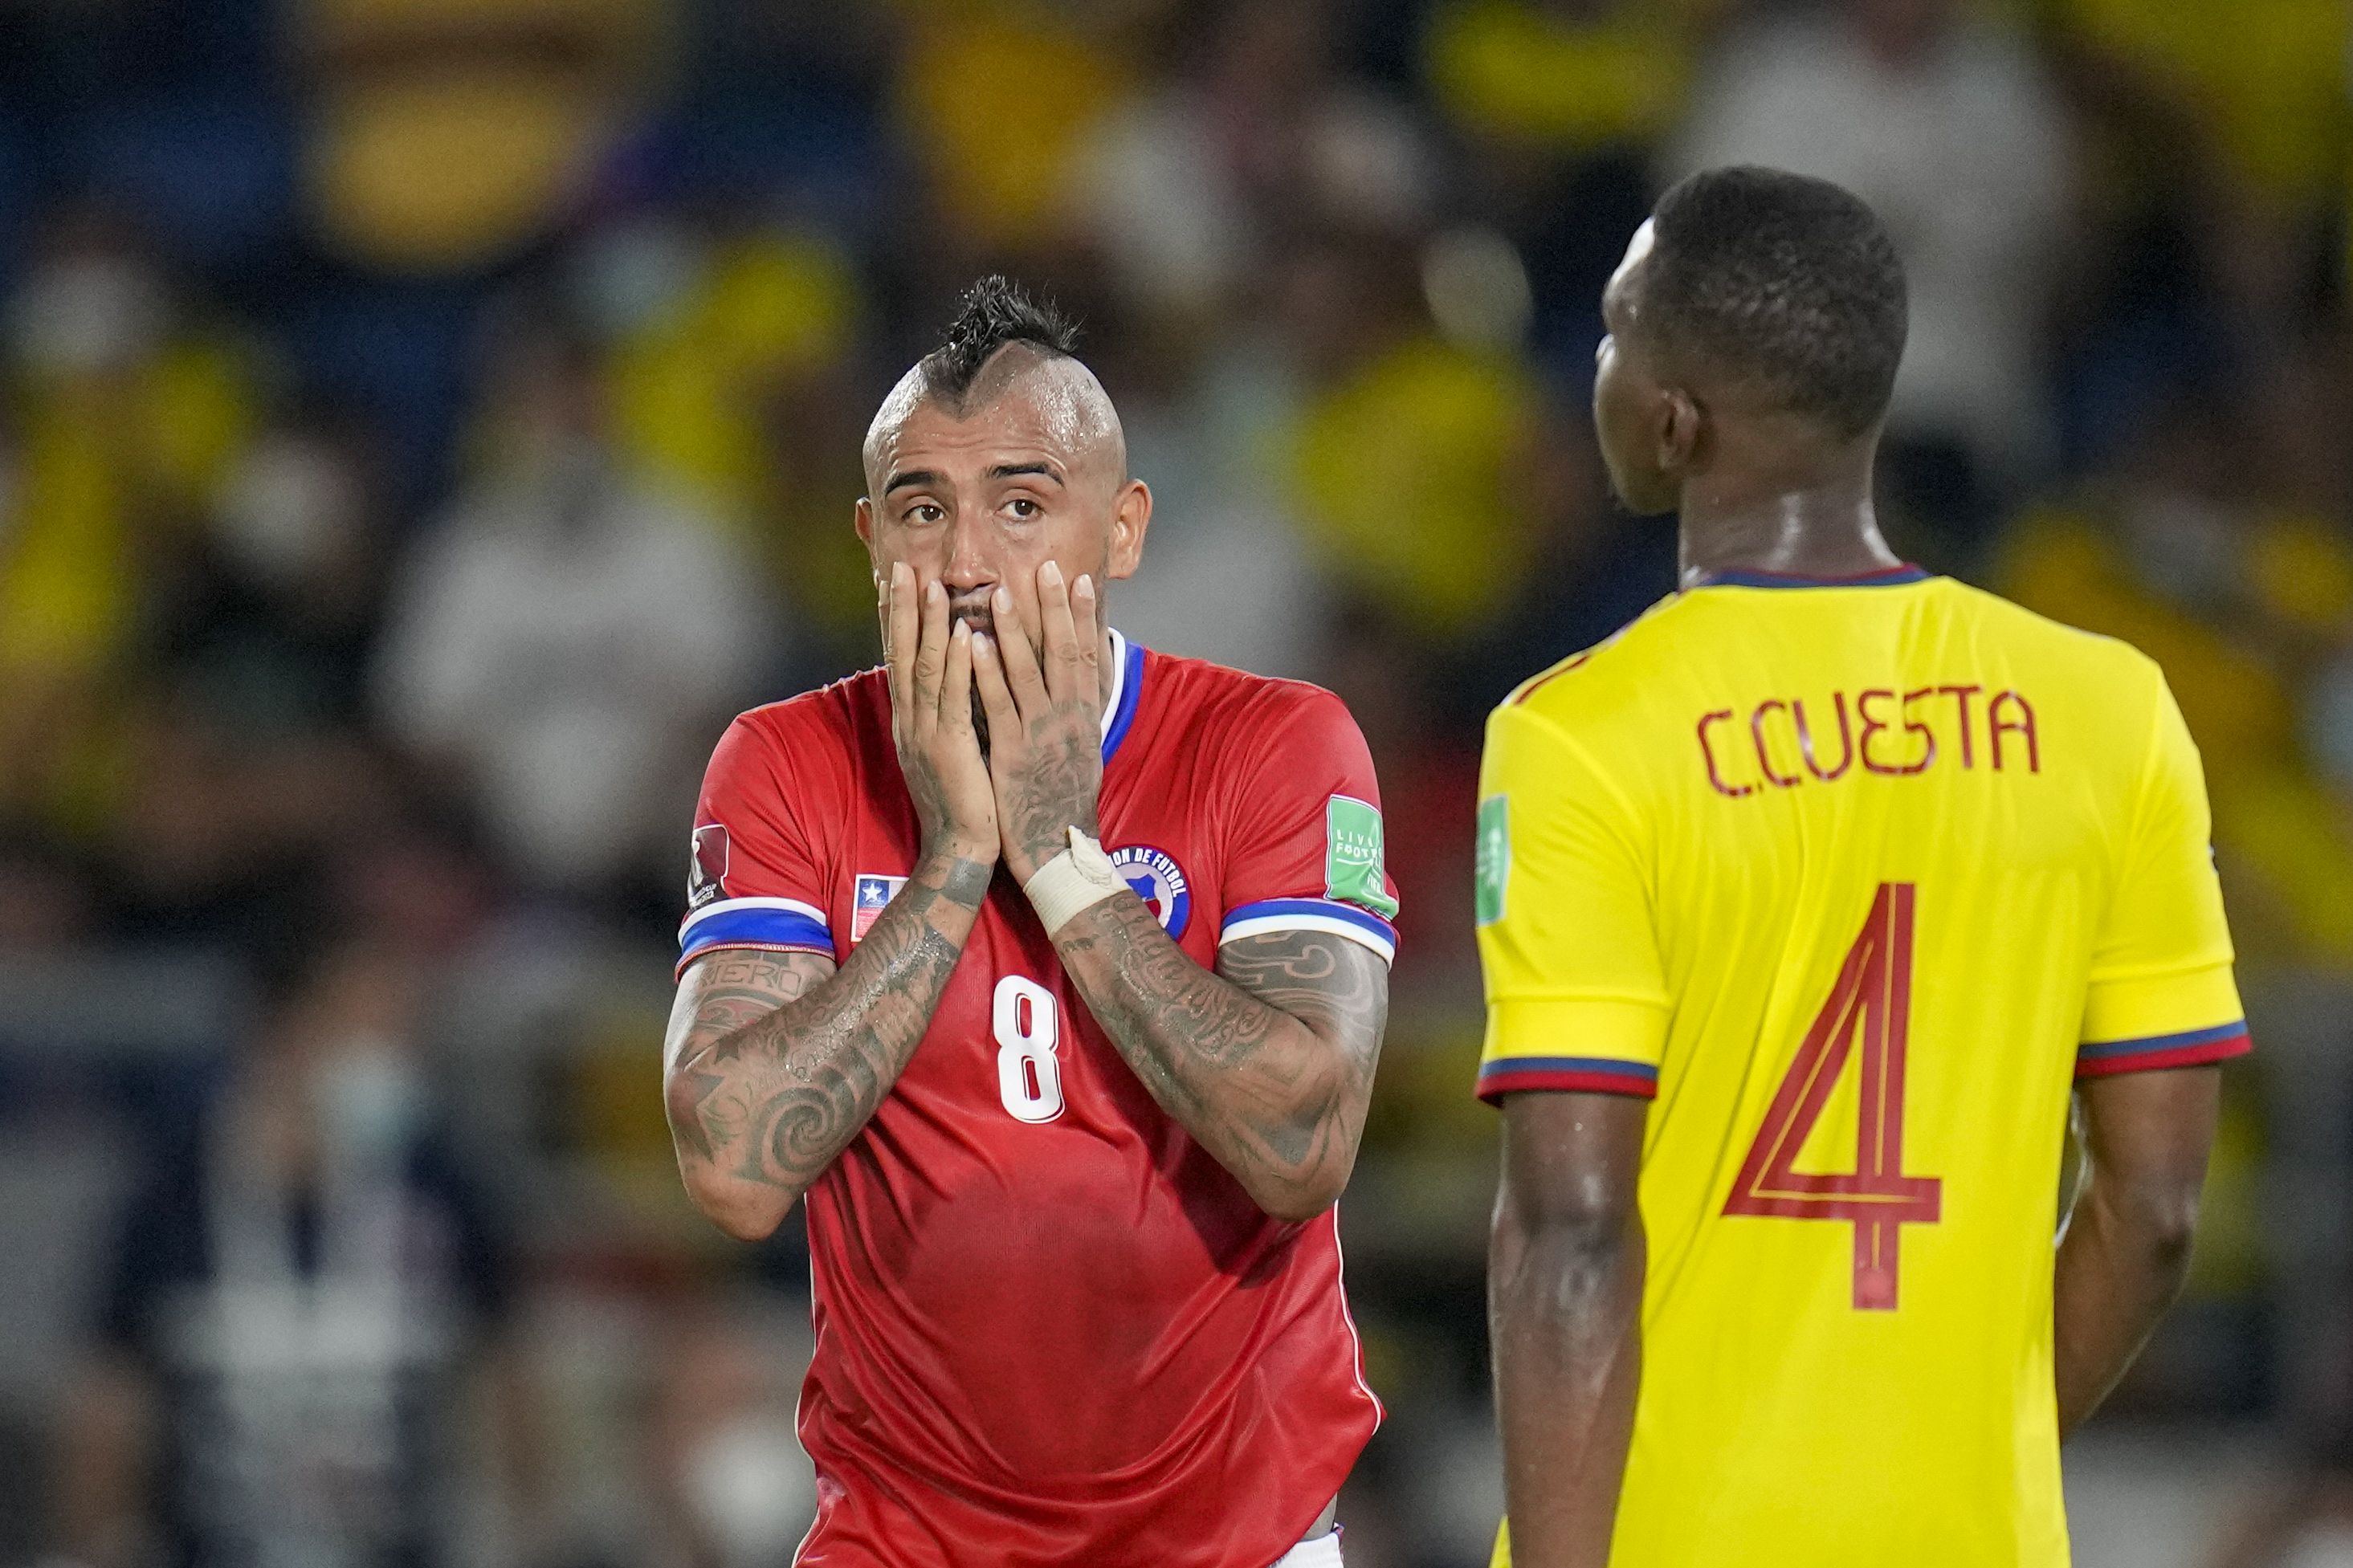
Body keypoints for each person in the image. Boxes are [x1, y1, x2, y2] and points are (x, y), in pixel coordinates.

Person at [1475, 166, 2247, 1566]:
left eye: (1610, 331)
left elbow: (1569, 1231)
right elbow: (2154, 1206)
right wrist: (1973, 1449)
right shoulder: (2110, 710)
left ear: (1669, 417)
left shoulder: (1577, 737)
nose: (1592, 364)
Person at [659, 277, 1396, 1566]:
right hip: (903, 1538)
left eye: (1018, 504)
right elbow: (730, 1164)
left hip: (1238, 1535)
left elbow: (1302, 1139)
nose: (961, 563)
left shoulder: (1276, 744)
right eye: (920, 510)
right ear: (868, 539)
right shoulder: (787, 761)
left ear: (1121, 531)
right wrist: (954, 860)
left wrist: (1059, 855)